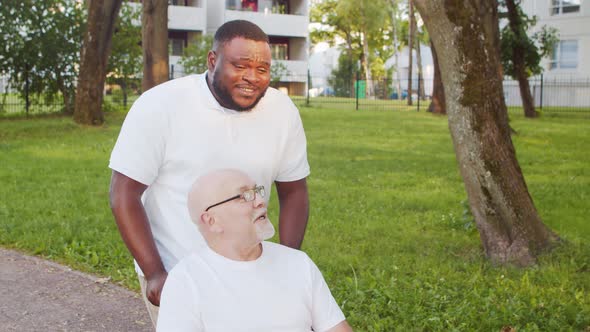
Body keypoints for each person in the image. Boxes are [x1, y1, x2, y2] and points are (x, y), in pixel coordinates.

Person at [108, 19, 310, 326]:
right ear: (212, 60)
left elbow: (294, 191)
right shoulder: (161, 105)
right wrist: (155, 273)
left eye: (262, 69)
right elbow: (124, 193)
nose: (252, 78)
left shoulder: (282, 112)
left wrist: (285, 264)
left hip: (250, 269)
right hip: (177, 271)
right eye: (240, 66)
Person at [156, 169, 352, 332]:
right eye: (244, 197)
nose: (260, 201)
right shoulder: (186, 281)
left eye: (257, 191)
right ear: (212, 221)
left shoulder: (298, 262)